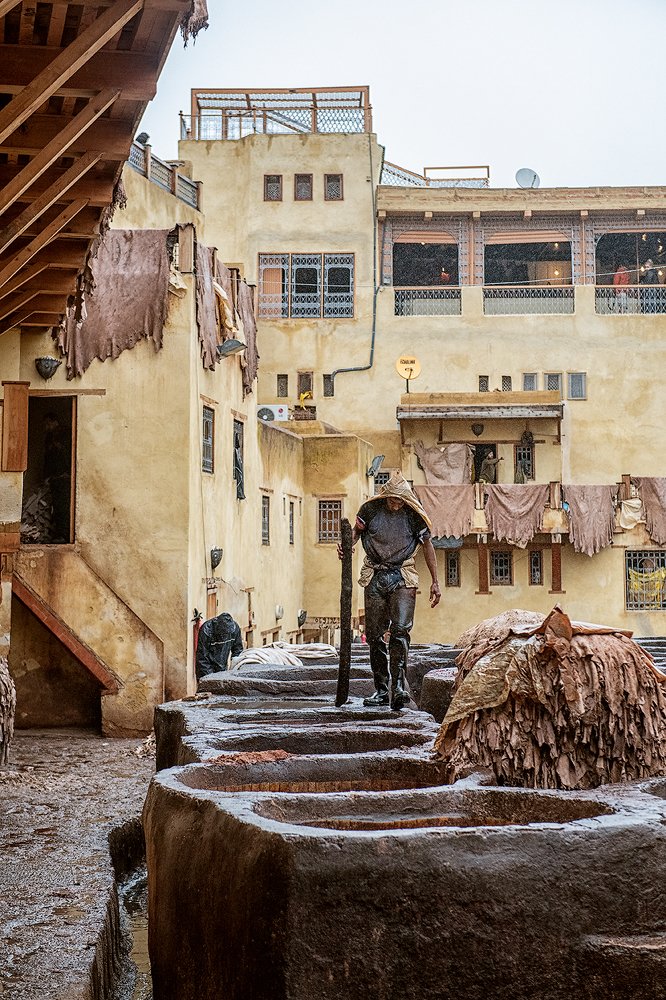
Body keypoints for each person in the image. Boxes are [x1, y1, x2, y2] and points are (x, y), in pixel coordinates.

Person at [340, 472, 440, 710]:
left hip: (403, 576)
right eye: (393, 500)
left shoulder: (413, 517)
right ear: (386, 497)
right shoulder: (371, 511)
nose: (396, 504)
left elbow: (427, 546)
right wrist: (347, 545)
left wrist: (435, 581)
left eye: (400, 501)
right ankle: (382, 689)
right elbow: (356, 532)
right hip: (375, 574)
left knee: (400, 632)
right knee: (374, 636)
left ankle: (399, 687)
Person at [43, 412, 71, 542]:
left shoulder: (65, 434)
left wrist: (67, 472)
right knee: (56, 507)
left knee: (63, 506)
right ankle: (58, 533)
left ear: (54, 422)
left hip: (65, 477)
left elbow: (67, 455)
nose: (46, 426)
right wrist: (48, 476)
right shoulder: (49, 437)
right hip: (55, 478)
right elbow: (48, 459)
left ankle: (64, 534)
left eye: (48, 423)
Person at [195, 611, 243, 680]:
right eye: (224, 633)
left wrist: (235, 669)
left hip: (222, 667)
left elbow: (237, 650)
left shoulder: (234, 629)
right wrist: (211, 677)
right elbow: (202, 657)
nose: (225, 636)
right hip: (205, 669)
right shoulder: (206, 630)